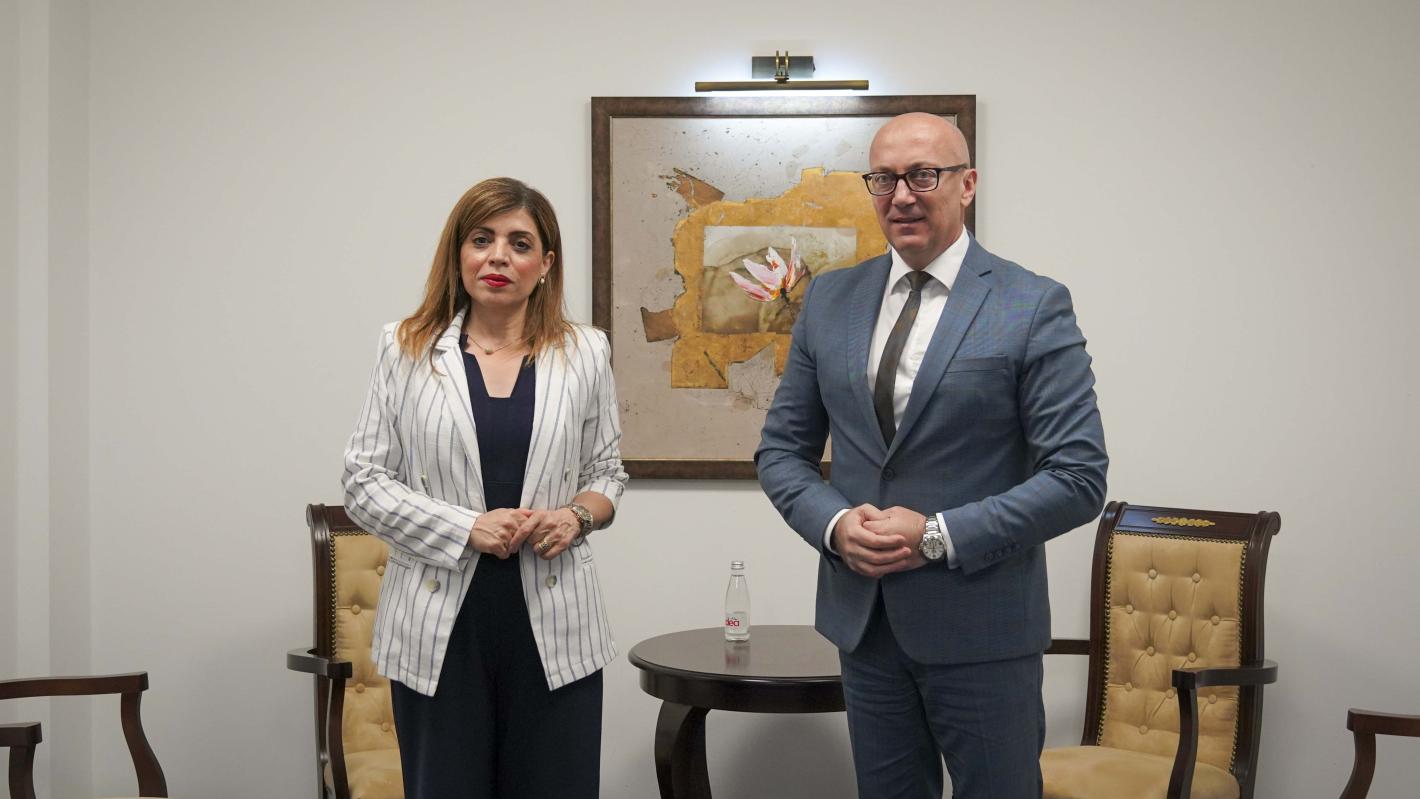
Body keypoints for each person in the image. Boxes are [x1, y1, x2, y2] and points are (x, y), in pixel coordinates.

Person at [756, 113, 1107, 798]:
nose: (902, 196)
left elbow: (1077, 477)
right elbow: (781, 451)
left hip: (984, 627)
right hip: (865, 625)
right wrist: (835, 525)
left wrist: (937, 536)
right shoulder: (830, 298)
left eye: (923, 175)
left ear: (967, 184)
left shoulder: (1031, 304)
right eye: (883, 179)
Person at [342, 177, 627, 798]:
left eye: (519, 243)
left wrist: (576, 516)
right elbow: (363, 483)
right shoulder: (405, 347)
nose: (499, 256)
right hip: (438, 626)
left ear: (545, 264)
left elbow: (607, 472)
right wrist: (465, 526)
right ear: (458, 253)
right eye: (481, 239)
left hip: (556, 624)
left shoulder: (586, 352)